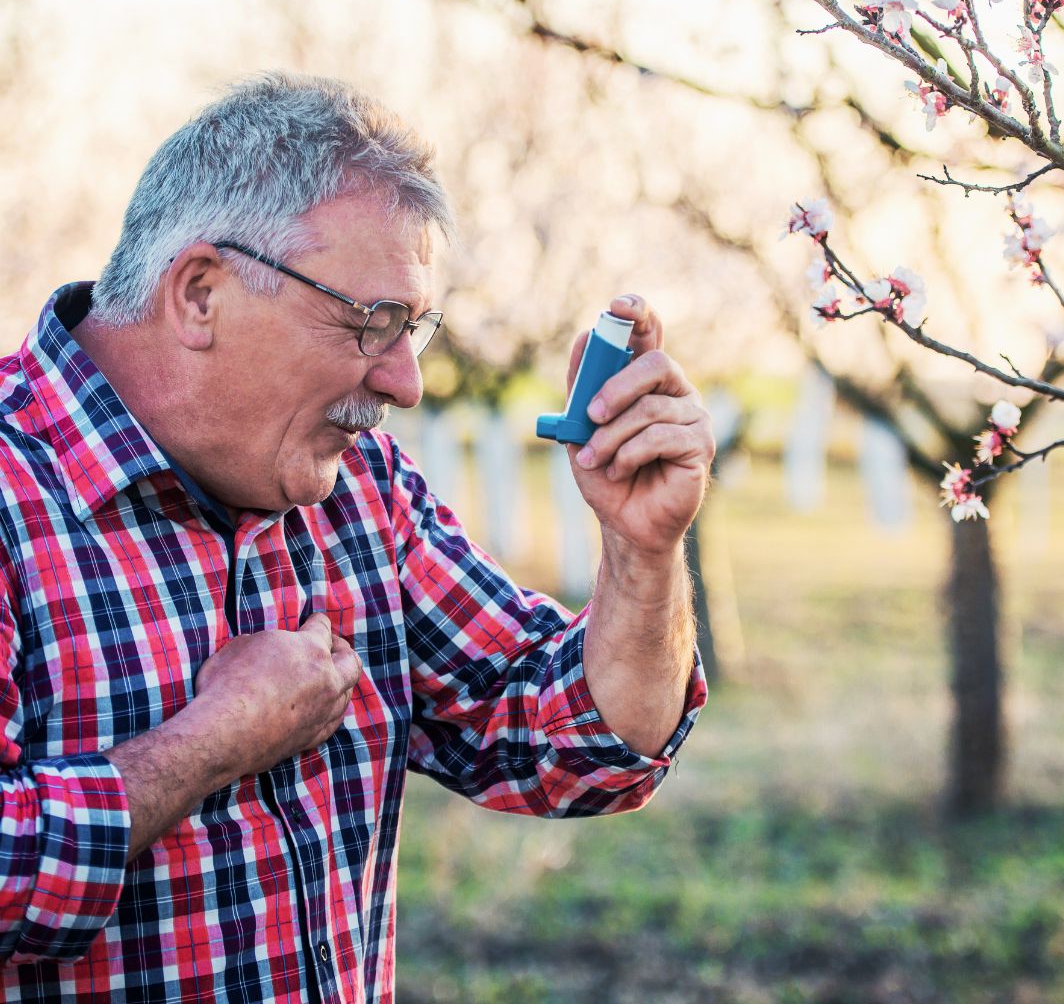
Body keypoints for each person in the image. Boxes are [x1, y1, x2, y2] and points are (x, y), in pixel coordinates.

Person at [0, 72, 712, 1002]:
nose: (405, 383)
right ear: (202, 294)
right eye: (372, 322)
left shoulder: (358, 492)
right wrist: (209, 742)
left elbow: (571, 746)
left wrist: (642, 553)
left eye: (412, 326)